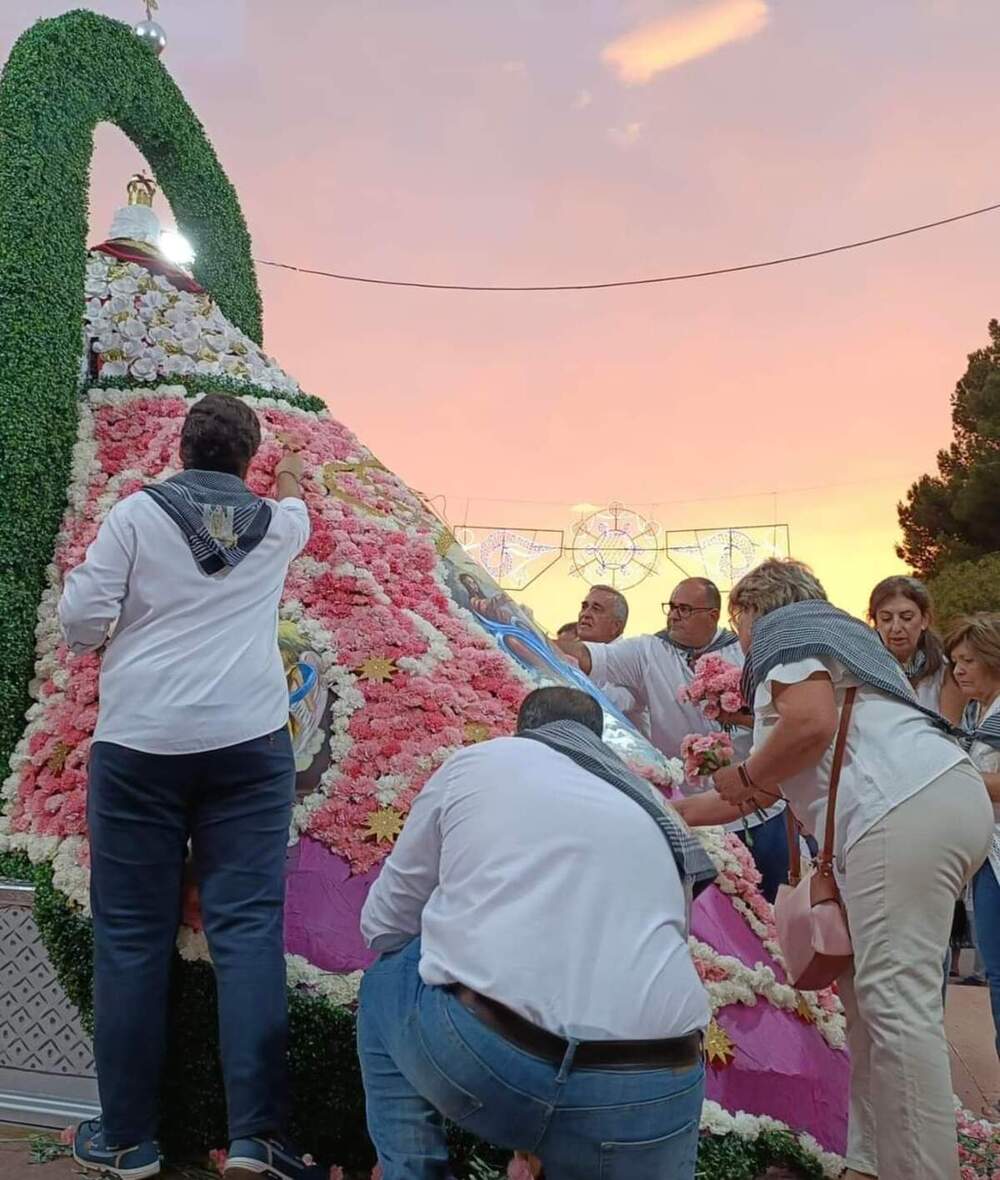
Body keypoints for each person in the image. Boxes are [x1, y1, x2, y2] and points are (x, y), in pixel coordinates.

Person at [60, 394, 316, 1180]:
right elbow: (306, 499)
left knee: (132, 940)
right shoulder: (280, 526)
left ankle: (129, 1139)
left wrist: (126, 636)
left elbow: (79, 619)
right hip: (247, 746)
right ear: (248, 459)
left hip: (141, 744)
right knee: (245, 935)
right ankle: (255, 1137)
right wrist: (298, 477)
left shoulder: (137, 518)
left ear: (181, 447)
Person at [678, 558, 992, 1180]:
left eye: (739, 625)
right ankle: (870, 1162)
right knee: (874, 1007)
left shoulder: (787, 628)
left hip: (898, 811)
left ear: (752, 609)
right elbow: (770, 786)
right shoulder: (840, 638)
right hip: (933, 802)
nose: (741, 641)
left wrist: (741, 771)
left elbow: (809, 725)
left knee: (896, 1009)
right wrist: (668, 811)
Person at [357, 686, 711, 1180]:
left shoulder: (482, 761)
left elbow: (384, 925)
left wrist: (454, 919)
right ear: (596, 741)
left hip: (492, 1056)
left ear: (522, 728)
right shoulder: (652, 807)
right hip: (654, 1085)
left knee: (388, 977)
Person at [556, 576, 788, 902]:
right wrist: (517, 627)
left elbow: (785, 718)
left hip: (759, 807)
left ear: (712, 614)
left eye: (685, 609)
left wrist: (738, 716)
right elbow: (586, 656)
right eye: (672, 607)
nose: (674, 615)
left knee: (769, 908)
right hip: (690, 812)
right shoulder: (648, 650)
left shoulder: (745, 651)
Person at [947, 615, 1000, 1069]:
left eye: (967, 660)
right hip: (987, 857)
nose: (959, 670)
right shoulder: (975, 713)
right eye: (954, 661)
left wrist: (956, 775)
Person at [868, 575, 963, 720]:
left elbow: (950, 731)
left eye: (906, 617)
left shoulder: (946, 670)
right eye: (886, 619)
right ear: (875, 622)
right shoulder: (862, 670)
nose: (896, 628)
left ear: (925, 619)